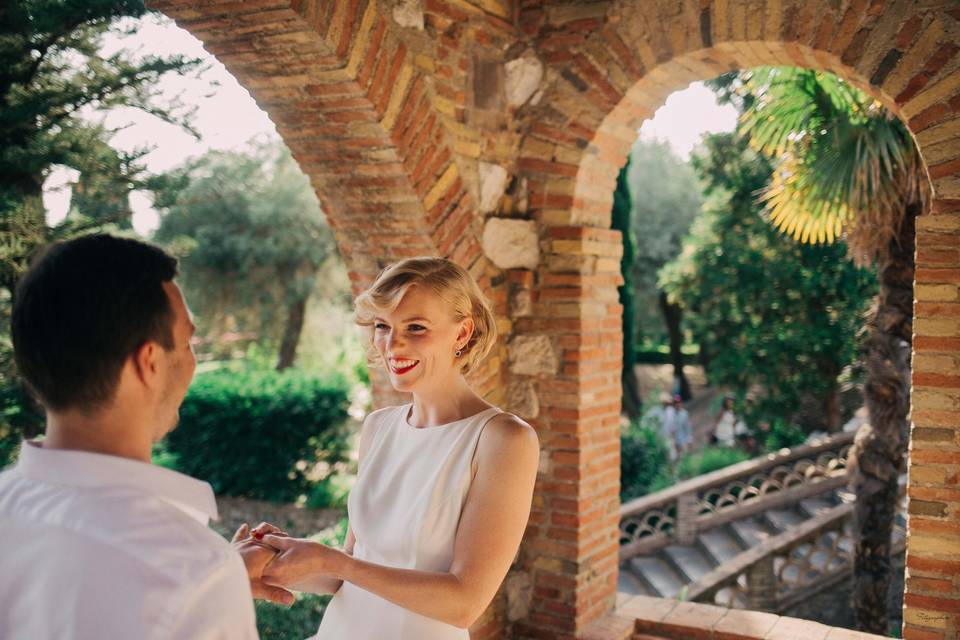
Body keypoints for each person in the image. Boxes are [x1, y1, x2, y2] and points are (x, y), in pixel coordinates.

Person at [0, 234, 289, 639]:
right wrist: (205, 589)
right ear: (149, 362)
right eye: (187, 341)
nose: (192, 362)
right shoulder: (191, 569)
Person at [246, 257, 540, 639]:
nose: (392, 343)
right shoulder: (378, 427)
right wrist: (275, 559)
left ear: (463, 333)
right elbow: (349, 570)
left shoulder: (503, 439)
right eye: (382, 326)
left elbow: (465, 602)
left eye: (416, 327)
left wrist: (335, 562)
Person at [662, 394, 693, 461]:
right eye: (676, 403)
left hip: (682, 440)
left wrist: (689, 439)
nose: (677, 405)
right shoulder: (669, 414)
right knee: (673, 458)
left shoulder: (684, 414)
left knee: (683, 458)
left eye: (679, 403)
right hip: (672, 440)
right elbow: (668, 428)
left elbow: (687, 428)